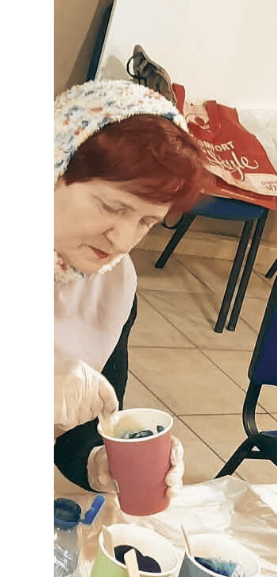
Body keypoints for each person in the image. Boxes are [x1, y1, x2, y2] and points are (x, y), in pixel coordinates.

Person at [55, 80, 207, 494]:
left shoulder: (112, 283)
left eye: (146, 222)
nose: (122, 240)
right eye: (111, 207)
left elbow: (80, 435)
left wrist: (102, 462)